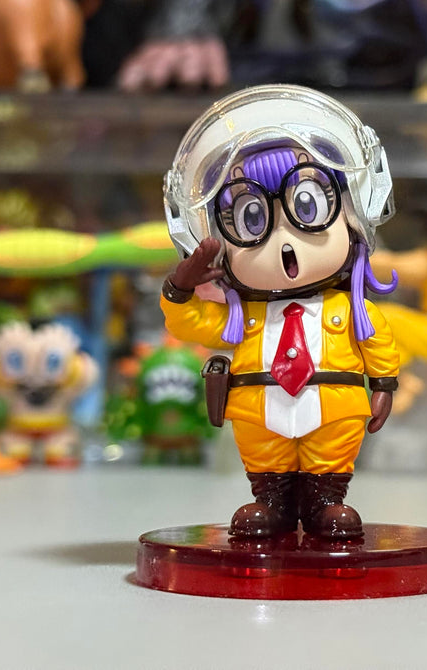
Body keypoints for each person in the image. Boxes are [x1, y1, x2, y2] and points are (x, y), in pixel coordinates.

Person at [159, 85, 399, 539]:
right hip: (259, 410)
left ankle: (327, 501)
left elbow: (376, 340)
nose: (284, 242)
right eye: (252, 220)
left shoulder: (350, 309)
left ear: (353, 213)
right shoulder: (243, 316)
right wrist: (179, 289)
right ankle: (270, 501)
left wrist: (384, 384)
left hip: (334, 407)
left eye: (306, 207)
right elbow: (191, 323)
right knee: (266, 457)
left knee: (330, 457)